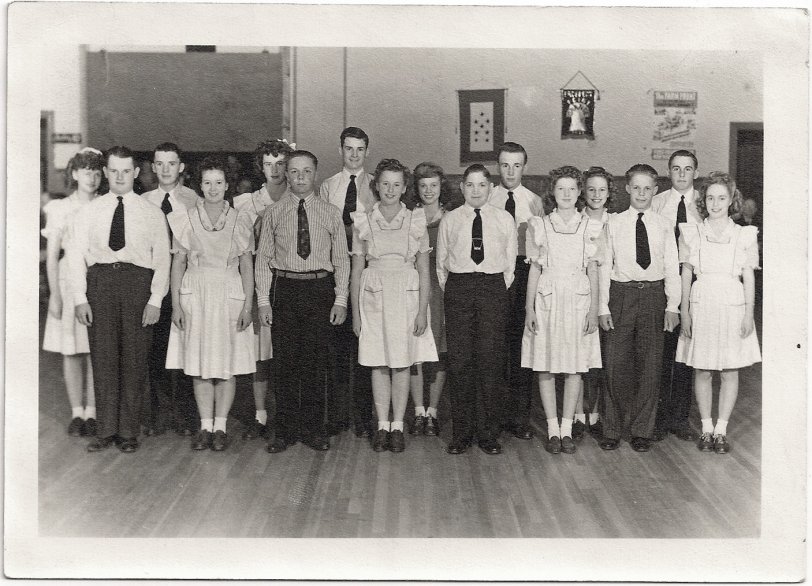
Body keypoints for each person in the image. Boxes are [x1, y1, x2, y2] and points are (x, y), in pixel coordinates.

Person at [68, 146, 170, 453]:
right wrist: (79, 298)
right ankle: (105, 430)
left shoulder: (151, 213)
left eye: (127, 171)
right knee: (104, 358)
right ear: (105, 172)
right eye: (114, 171)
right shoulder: (89, 212)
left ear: (136, 173)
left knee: (135, 358)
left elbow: (163, 259)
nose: (120, 176)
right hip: (100, 284)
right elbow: (74, 256)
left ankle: (128, 432)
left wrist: (155, 300)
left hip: (138, 284)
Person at [256, 150, 350, 453]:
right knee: (284, 363)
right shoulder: (273, 212)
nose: (300, 178)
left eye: (306, 171)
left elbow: (341, 261)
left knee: (315, 362)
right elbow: (263, 260)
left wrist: (340, 299)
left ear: (315, 173)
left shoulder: (331, 212)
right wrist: (263, 301)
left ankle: (313, 429)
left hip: (319, 289)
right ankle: (284, 430)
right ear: (286, 173)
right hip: (284, 289)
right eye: (294, 171)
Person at [165, 156, 256, 451]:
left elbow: (247, 266)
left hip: (229, 291)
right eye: (207, 183)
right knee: (200, 362)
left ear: (227, 185)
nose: (213, 188)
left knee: (226, 364)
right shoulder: (186, 217)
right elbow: (178, 263)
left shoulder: (241, 218)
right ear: (199, 185)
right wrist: (177, 304)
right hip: (196, 293)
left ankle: (220, 425)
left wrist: (247, 306)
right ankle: (205, 425)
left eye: (219, 183)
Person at [350, 159, 438, 452]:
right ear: (376, 186)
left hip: (407, 295)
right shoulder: (363, 221)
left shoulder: (415, 220)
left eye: (396, 184)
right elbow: (356, 271)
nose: (390, 189)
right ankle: (382, 425)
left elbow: (425, 271)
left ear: (404, 188)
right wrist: (356, 314)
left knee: (402, 364)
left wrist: (422, 310)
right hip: (373, 295)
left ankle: (398, 424)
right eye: (385, 183)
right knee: (378, 363)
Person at [675, 172, 761, 454]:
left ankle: (722, 429)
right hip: (702, 302)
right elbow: (686, 274)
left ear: (731, 200)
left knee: (729, 369)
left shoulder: (744, 235)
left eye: (721, 197)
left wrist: (749, 314)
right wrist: (684, 310)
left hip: (732, 303)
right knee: (702, 368)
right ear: (703, 201)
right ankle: (707, 428)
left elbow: (748, 277)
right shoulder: (692, 232)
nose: (715, 203)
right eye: (710, 197)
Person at [598, 163, 680, 452]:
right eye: (637, 187)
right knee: (615, 364)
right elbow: (605, 265)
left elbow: (671, 266)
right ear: (627, 189)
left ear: (655, 191)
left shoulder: (663, 225)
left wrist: (673, 305)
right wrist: (602, 307)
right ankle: (611, 428)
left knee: (650, 364)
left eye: (648, 188)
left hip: (654, 296)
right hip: (621, 295)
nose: (642, 192)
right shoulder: (614, 223)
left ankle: (641, 429)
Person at [437, 164, 517, 455]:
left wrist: (491, 288)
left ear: (491, 188)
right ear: (461, 189)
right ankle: (462, 433)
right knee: (460, 362)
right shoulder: (451, 220)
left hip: (493, 288)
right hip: (459, 287)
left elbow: (509, 266)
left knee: (490, 362)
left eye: (481, 185)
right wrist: (460, 288)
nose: (475, 191)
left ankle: (488, 433)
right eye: (469, 185)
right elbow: (442, 264)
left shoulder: (504, 219)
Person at [521, 166, 601, 455]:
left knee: (574, 366)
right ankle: (552, 428)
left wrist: (593, 310)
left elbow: (593, 270)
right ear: (552, 193)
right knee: (545, 364)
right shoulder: (540, 226)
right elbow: (534, 270)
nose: (566, 194)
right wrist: (529, 308)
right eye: (560, 189)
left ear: (579, 192)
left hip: (578, 300)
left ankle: (568, 428)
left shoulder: (589, 226)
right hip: (548, 299)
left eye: (571, 189)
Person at [233, 138, 295, 440]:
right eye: (268, 164)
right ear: (261, 166)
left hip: (290, 281)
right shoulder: (246, 202)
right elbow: (243, 248)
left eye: (281, 163)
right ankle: (260, 414)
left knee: (286, 351)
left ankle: (286, 413)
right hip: (260, 281)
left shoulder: (299, 198)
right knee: (260, 353)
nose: (274, 170)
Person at [42, 147, 103, 437]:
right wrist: (55, 294)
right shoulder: (60, 208)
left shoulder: (107, 205)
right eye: (85, 171)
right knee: (72, 350)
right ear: (75, 174)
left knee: (95, 349)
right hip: (68, 282)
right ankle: (77, 412)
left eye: (96, 170)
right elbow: (52, 256)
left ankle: (92, 412)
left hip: (98, 282)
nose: (91, 177)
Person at [319, 127, 376, 439]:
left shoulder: (375, 187)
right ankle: (338, 415)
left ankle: (364, 417)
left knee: (364, 346)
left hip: (366, 273)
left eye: (359, 149)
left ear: (367, 151)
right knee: (337, 348)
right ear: (340, 150)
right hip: (335, 273)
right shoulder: (328, 186)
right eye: (348, 148)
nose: (354, 155)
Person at [140, 142, 199, 437]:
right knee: (154, 350)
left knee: (184, 348)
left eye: (171, 163)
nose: (165, 169)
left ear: (181, 167)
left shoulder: (193, 200)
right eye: (160, 163)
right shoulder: (143, 200)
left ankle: (186, 414)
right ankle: (156, 414)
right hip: (151, 285)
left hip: (183, 283)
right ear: (153, 166)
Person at [488, 142, 544, 441]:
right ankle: (494, 418)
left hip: (524, 274)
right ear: (498, 166)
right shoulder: (488, 197)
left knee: (521, 346)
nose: (510, 171)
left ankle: (519, 418)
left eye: (517, 165)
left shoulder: (534, 202)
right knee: (495, 347)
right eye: (505, 165)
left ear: (525, 166)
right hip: (496, 274)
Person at [650, 150, 702, 442]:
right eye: (676, 169)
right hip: (665, 280)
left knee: (687, 350)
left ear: (696, 172)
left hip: (695, 280)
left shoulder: (704, 205)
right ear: (669, 172)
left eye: (687, 169)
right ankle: (657, 416)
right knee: (663, 350)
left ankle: (680, 417)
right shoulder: (657, 203)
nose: (682, 174)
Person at [407, 162, 450, 436]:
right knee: (414, 353)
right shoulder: (409, 217)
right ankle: (418, 411)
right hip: (415, 289)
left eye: (433, 185)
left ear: (441, 186)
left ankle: (433, 411)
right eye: (423, 186)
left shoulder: (451, 217)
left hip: (443, 290)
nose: (429, 190)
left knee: (440, 352)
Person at [573, 166, 615, 439]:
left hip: (609, 302)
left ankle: (596, 414)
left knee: (601, 364)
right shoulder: (575, 221)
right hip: (578, 301)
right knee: (576, 360)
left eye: (602, 190)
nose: (596, 195)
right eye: (591, 189)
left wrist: (604, 307)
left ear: (609, 193)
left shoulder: (617, 223)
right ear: (582, 193)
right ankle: (576, 415)